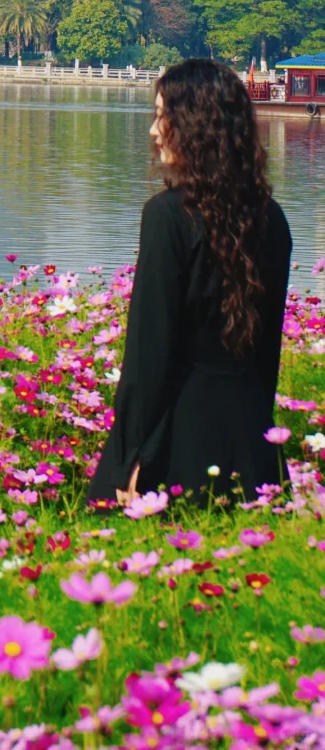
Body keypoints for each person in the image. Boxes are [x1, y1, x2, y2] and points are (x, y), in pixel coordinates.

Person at [88, 58, 292, 507]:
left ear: (194, 125)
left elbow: (148, 354)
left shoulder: (167, 216)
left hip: (175, 445)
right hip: (253, 446)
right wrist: (262, 434)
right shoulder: (272, 218)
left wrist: (129, 456)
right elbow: (267, 354)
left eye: (163, 116)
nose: (154, 131)